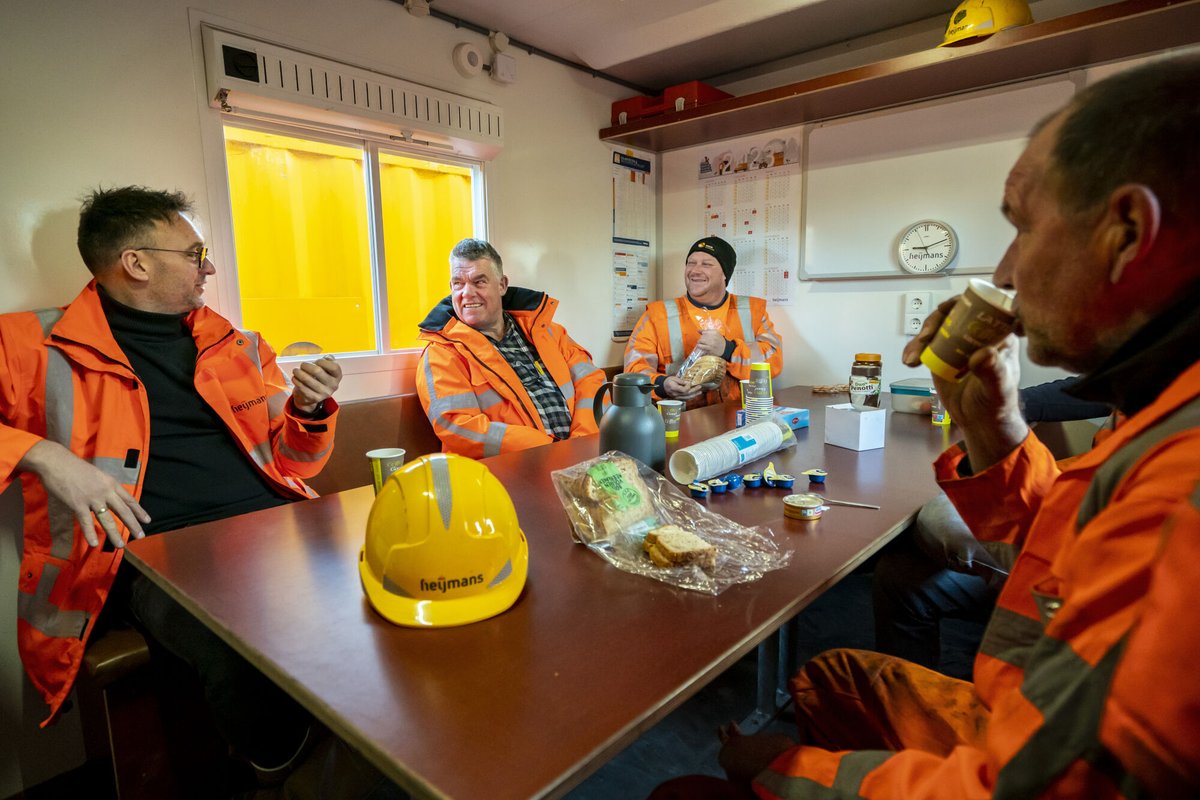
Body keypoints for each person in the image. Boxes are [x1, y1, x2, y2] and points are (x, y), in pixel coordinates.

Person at [657, 53, 1200, 798]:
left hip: (1018, 752)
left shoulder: (1184, 495)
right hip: (1021, 696)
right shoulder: (1159, 403)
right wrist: (998, 429)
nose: (1005, 272)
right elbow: (1067, 545)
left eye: (1023, 227)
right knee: (832, 675)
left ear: (1129, 232)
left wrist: (788, 773)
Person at [1, 187, 350, 790]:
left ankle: (370, 749)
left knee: (372, 589)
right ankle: (287, 768)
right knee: (237, 644)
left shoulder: (237, 345)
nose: (208, 266)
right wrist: (43, 454)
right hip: (152, 552)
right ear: (136, 263)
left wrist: (309, 408)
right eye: (195, 252)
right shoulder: (27, 343)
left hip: (276, 530)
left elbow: (298, 460)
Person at [872, 378, 1113, 678]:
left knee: (942, 520)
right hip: (1066, 519)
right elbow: (1092, 388)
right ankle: (905, 700)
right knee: (899, 577)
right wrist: (995, 406)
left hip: (1085, 575)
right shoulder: (1151, 373)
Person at [416, 237, 606, 458]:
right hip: (507, 474)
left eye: (479, 282)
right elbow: (458, 426)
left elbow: (593, 382)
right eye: (458, 283)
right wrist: (550, 451)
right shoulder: (441, 354)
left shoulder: (549, 332)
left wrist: (580, 443)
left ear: (502, 285)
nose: (467, 293)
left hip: (582, 457)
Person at [623, 236, 782, 409]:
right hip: (681, 424)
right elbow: (633, 371)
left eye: (706, 264)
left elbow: (773, 362)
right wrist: (663, 385)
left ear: (725, 274)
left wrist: (728, 350)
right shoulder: (656, 315)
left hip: (740, 418)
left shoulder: (753, 310)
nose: (695, 270)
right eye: (691, 263)